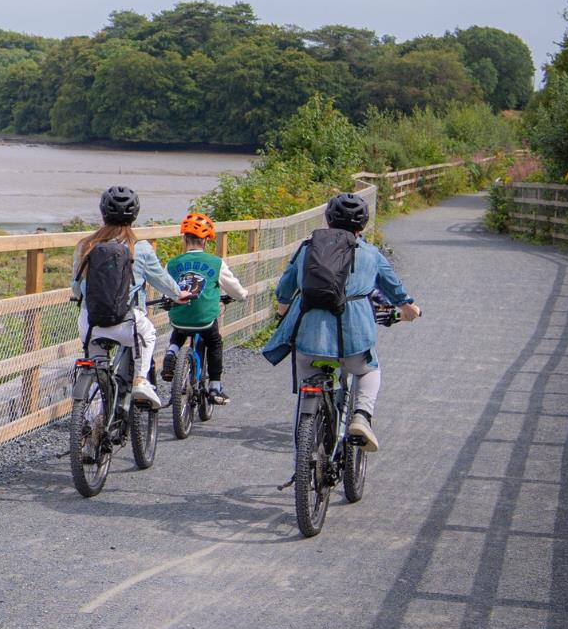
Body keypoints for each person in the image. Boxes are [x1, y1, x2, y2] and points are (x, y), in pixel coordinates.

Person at [261, 192, 422, 451]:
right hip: (354, 341)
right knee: (369, 370)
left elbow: (285, 289)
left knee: (307, 380)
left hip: (308, 339)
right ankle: (361, 416)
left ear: (327, 221)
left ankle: (306, 447)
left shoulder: (307, 248)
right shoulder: (371, 254)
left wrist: (282, 310)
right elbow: (394, 288)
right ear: (362, 226)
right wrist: (410, 308)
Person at [70, 186, 180, 408]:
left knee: (96, 366)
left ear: (103, 213)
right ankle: (140, 380)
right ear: (134, 215)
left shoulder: (86, 245)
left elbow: (76, 286)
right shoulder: (140, 248)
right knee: (148, 336)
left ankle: (93, 420)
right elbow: (161, 280)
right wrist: (179, 294)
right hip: (126, 324)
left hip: (90, 324)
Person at [160, 212, 249, 405]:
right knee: (215, 341)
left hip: (180, 316)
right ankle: (215, 387)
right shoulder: (216, 263)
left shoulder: (173, 263)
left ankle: (172, 352)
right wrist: (242, 296)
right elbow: (235, 289)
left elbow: (165, 288)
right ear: (206, 241)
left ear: (184, 239)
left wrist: (166, 299)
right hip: (204, 320)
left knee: (180, 327)